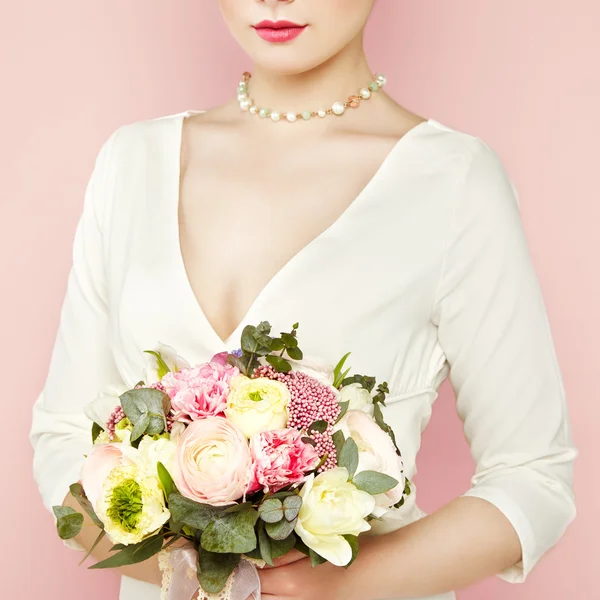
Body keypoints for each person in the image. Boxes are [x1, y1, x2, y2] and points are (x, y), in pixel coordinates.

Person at [29, 1, 578, 599]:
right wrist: (193, 570)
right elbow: (63, 435)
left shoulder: (452, 179)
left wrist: (324, 588)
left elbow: (533, 480)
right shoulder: (131, 162)